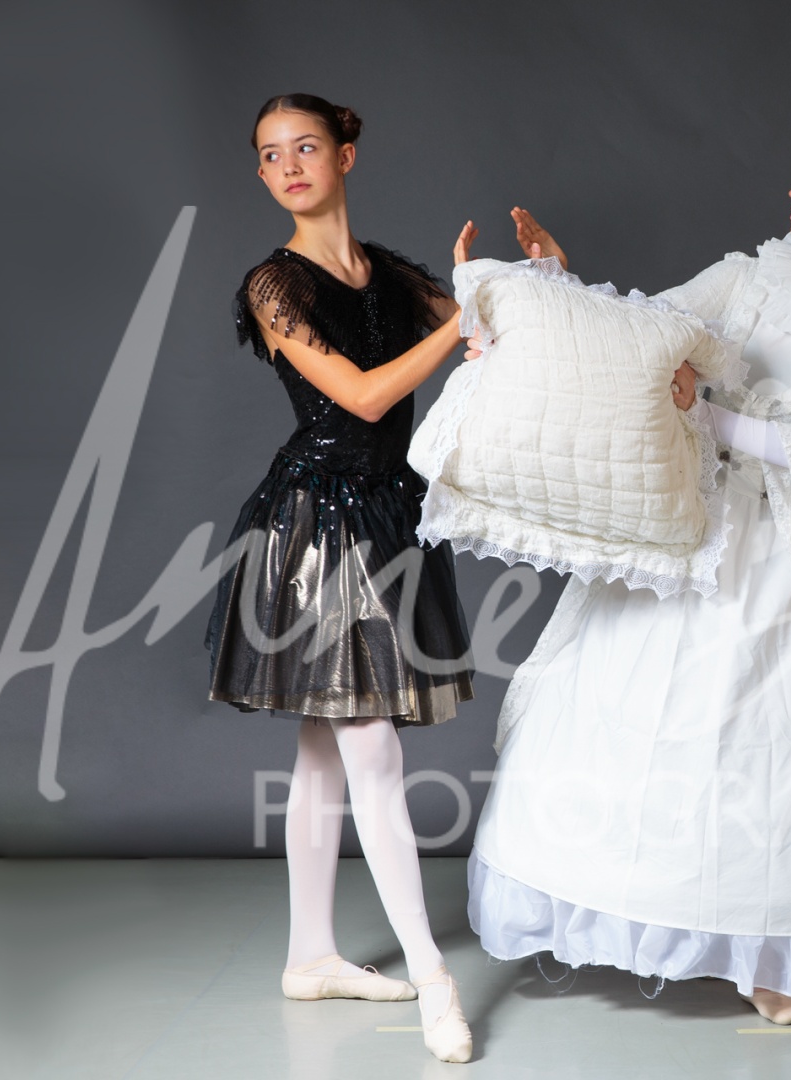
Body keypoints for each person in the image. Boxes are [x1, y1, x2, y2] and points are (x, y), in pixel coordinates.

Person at [466, 132, 791, 1025]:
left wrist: (705, 412)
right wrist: (553, 281)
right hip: (698, 522)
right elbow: (641, 333)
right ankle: (656, 909)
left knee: (777, 743)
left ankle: (771, 953)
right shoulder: (747, 276)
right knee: (657, 718)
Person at [205, 93, 476, 1063]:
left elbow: (492, 331)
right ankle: (434, 978)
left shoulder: (391, 276)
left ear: (345, 156)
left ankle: (310, 955)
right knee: (368, 743)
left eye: (305, 148)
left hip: (388, 515)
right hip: (316, 525)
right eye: (270, 155)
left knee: (326, 744)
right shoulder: (273, 286)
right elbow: (363, 396)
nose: (288, 167)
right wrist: (467, 319)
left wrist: (522, 287)